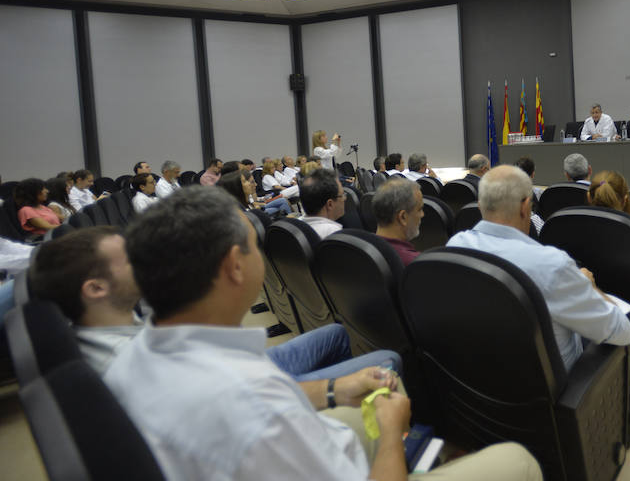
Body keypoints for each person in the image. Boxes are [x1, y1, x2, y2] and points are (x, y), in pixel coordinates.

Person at [102, 186, 540, 481]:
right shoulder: (254, 403)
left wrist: (333, 389)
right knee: (518, 461)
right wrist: (392, 433)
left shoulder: (135, 356)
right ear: (234, 266)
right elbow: (262, 408)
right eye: (253, 245)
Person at [446, 166, 630, 446]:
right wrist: (591, 289)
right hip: (550, 389)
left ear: (481, 204)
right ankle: (625, 423)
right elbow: (621, 332)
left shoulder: (455, 244)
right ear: (525, 207)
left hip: (484, 379)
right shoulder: (551, 264)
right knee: (621, 324)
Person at [29, 225, 401, 380]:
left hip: (233, 368)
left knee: (336, 333)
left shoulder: (113, 322)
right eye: (128, 259)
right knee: (387, 360)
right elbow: (231, 400)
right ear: (96, 289)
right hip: (245, 384)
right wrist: (330, 392)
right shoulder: (126, 364)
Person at [373, 178, 423, 266]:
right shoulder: (417, 264)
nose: (422, 214)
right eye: (419, 209)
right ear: (403, 217)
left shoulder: (360, 249)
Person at [219, 170, 292, 218]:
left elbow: (252, 203)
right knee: (281, 204)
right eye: (245, 181)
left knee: (280, 204)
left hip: (255, 209)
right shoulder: (237, 208)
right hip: (254, 212)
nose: (254, 184)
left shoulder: (240, 202)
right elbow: (252, 205)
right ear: (237, 187)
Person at [299, 169, 345, 239]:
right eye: (342, 195)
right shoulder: (334, 234)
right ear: (330, 204)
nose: (345, 198)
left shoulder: (297, 226)